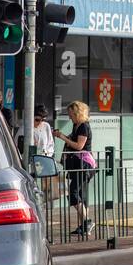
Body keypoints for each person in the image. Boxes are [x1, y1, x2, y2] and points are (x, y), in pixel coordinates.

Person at [54, 101, 95, 237]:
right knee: (80, 194)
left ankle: (87, 222)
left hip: (84, 164)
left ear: (78, 113)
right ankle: (83, 226)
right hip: (78, 163)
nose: (69, 116)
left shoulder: (84, 126)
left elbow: (79, 146)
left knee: (73, 192)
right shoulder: (76, 125)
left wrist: (62, 137)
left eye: (71, 114)